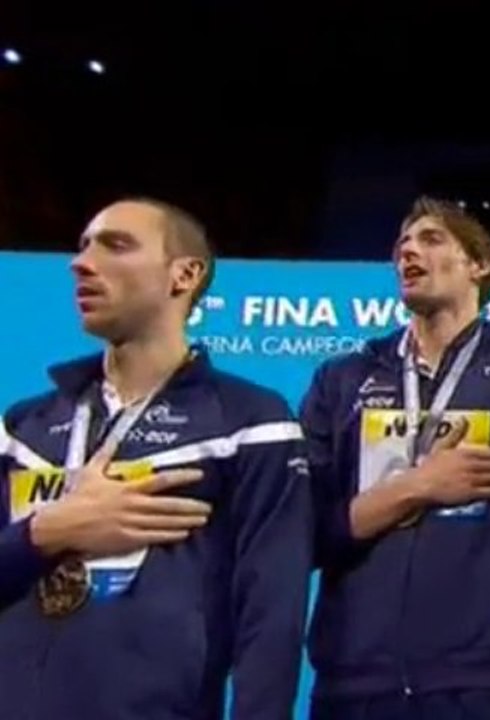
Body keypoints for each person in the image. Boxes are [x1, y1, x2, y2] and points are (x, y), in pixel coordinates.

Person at [0, 198, 312, 719]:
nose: (81, 262)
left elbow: (272, 615)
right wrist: (45, 533)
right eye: (82, 247)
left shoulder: (249, 421)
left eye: (115, 245)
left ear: (184, 275)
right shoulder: (23, 426)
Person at [301, 196, 490, 720]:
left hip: (485, 678)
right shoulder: (342, 378)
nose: (408, 251)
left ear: (479, 265)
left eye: (431, 240)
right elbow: (304, 532)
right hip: (352, 682)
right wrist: (416, 486)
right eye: (402, 243)